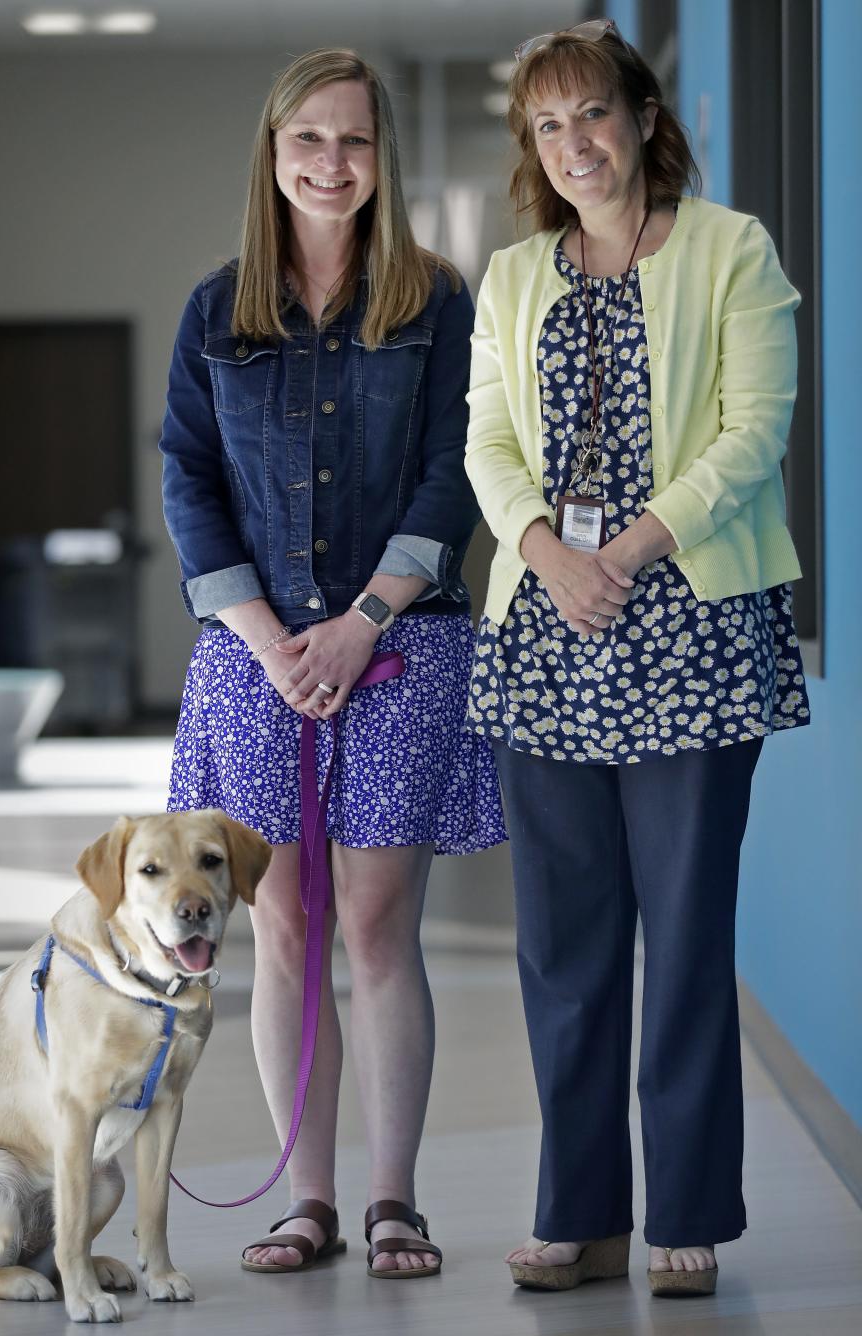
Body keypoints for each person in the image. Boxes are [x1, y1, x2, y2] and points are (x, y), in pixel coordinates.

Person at [465, 20, 810, 1297]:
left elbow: (754, 427)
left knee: (684, 928)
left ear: (642, 114)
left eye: (591, 115)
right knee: (563, 943)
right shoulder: (510, 279)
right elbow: (488, 444)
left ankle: (687, 1215)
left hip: (695, 625)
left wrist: (638, 548)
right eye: (548, 127)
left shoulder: (731, 249)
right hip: (548, 628)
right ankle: (579, 1213)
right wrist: (553, 554)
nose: (574, 146)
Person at [159, 48, 505, 1279]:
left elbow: (455, 466)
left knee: (373, 921)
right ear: (273, 151)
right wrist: (269, 640)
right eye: (308, 139)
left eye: (354, 141)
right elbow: (188, 482)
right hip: (253, 654)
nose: (330, 162)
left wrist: (362, 620)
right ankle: (305, 1200)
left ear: (383, 159)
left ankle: (394, 1200)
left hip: (401, 640)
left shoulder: (436, 300)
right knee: (285, 922)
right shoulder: (217, 310)